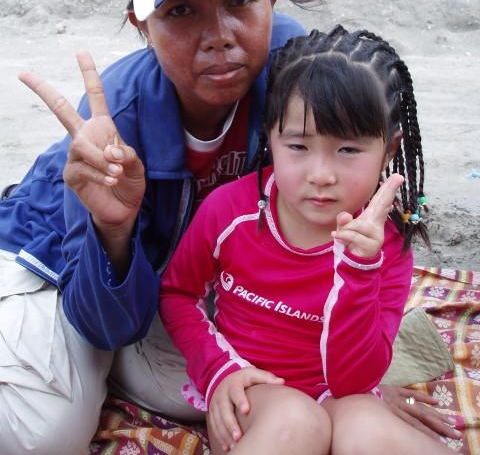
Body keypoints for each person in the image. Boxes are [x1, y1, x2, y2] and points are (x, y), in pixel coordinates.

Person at [0, 0, 459, 453]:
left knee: (288, 395)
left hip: (180, 269)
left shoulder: (295, 69)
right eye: (180, 10)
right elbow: (107, 321)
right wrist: (113, 230)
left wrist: (359, 389)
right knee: (41, 437)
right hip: (58, 255)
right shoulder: (116, 117)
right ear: (142, 24)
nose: (219, 33)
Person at [159, 26, 452, 455]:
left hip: (343, 395)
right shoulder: (230, 212)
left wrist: (359, 269)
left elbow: (353, 380)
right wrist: (218, 371)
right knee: (297, 422)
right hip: (257, 391)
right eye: (298, 146)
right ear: (270, 137)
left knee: (365, 431)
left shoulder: (387, 246)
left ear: (389, 150)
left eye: (348, 150)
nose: (321, 175)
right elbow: (178, 294)